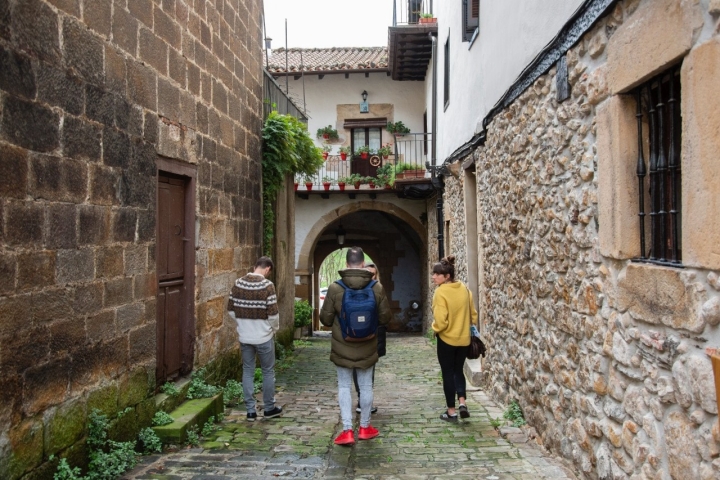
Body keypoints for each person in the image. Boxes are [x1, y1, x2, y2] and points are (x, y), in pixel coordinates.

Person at [320, 247, 391, 446]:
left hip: (342, 345)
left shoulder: (335, 288)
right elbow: (386, 317)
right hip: (368, 344)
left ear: (346, 264)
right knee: (366, 386)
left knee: (344, 386)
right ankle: (366, 427)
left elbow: (325, 319)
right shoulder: (376, 287)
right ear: (362, 263)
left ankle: (347, 430)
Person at [227, 256, 283, 422]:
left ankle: (250, 411)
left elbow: (231, 310)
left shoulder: (238, 283)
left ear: (255, 266)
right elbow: (273, 314)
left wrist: (243, 324)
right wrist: (274, 329)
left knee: (248, 370)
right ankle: (269, 408)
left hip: (245, 336)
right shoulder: (267, 286)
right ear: (267, 269)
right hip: (263, 336)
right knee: (267, 371)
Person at [430, 255, 478, 422]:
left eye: (437, 274)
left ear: (447, 276)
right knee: (459, 371)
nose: (434, 277)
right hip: (464, 340)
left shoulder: (440, 292)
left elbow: (441, 321)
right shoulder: (465, 289)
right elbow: (473, 315)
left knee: (448, 373)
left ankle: (451, 411)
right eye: (433, 273)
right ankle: (462, 402)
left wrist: (434, 329)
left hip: (447, 340)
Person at [353, 262, 384, 414]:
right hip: (356, 334)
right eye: (368, 274)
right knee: (357, 366)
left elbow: (384, 316)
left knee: (369, 369)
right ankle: (362, 400)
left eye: (373, 274)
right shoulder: (355, 289)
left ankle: (365, 401)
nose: (371, 277)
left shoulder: (378, 289)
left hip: (373, 334)